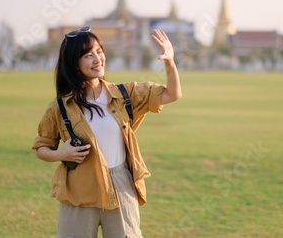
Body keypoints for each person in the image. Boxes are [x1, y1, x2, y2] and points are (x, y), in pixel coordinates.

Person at [32, 26, 182, 238]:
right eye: (88, 55)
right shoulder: (60, 107)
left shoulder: (125, 94)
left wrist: (169, 61)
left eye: (99, 51)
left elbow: (173, 94)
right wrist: (61, 154)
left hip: (120, 184)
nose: (97, 59)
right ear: (74, 63)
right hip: (80, 189)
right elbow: (41, 148)